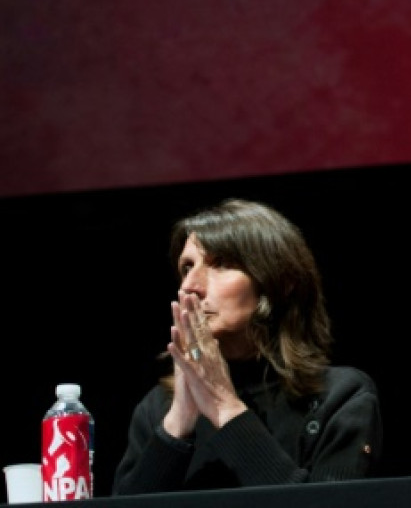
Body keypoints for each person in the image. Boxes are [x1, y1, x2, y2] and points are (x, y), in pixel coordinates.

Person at [112, 198, 382, 492]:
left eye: (221, 263)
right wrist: (177, 423)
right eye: (187, 267)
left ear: (280, 281)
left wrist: (224, 406)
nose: (190, 285)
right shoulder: (158, 409)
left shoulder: (342, 396)